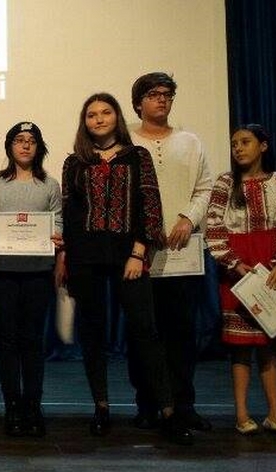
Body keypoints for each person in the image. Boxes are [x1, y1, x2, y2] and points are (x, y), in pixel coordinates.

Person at [61, 92, 192, 445]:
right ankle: (101, 406)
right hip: (85, 258)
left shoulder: (138, 156)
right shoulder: (74, 162)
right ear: (84, 122)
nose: (99, 119)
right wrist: (67, 258)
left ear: (117, 117)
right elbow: (71, 214)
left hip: (128, 257)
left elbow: (151, 205)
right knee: (92, 333)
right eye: (91, 114)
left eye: (105, 112)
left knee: (145, 330)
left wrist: (139, 251)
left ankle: (168, 412)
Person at [127, 72, 214, 432]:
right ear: (138, 103)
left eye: (167, 94)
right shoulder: (126, 141)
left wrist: (187, 218)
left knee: (180, 332)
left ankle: (183, 404)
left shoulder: (190, 142)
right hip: (139, 253)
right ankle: (148, 404)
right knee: (143, 331)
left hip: (183, 250)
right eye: (153, 94)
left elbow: (205, 188)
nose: (161, 99)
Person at [0, 121, 63, 437]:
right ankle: (12, 406)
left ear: (39, 147)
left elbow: (59, 222)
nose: (25, 145)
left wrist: (55, 237)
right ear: (9, 146)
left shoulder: (49, 185)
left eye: (31, 140)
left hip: (38, 273)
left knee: (32, 340)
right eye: (19, 140)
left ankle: (33, 406)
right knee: (6, 341)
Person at [205, 124, 276, 436]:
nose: (238, 148)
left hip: (271, 265)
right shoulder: (225, 183)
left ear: (263, 146)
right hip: (238, 269)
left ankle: (274, 413)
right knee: (240, 346)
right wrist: (233, 262)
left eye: (245, 142)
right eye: (234, 144)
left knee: (269, 343)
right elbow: (213, 226)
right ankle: (242, 414)